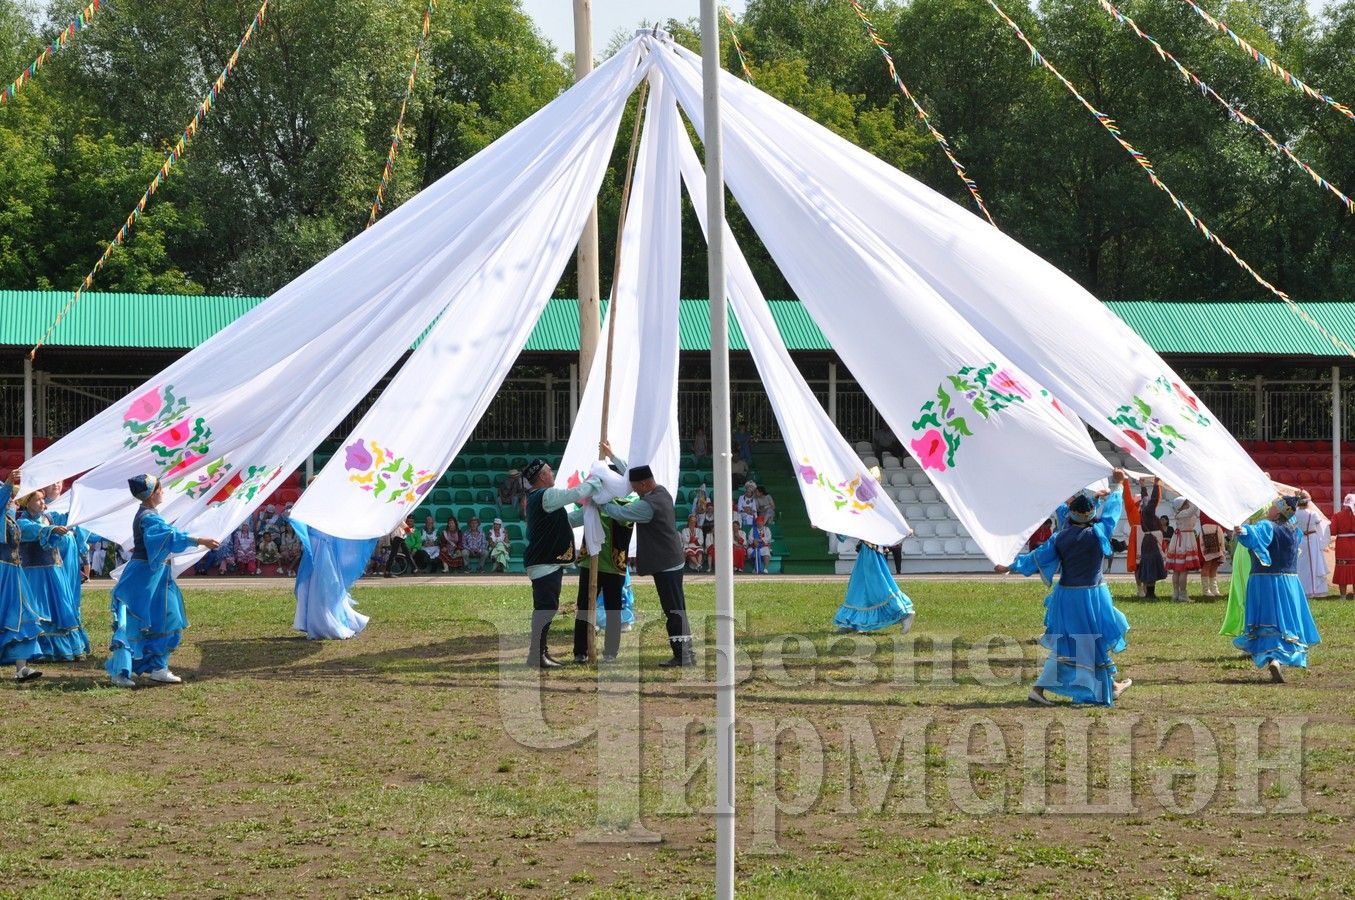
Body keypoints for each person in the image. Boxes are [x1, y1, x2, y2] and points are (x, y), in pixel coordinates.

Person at [996, 469, 1132, 707]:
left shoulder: (1061, 537)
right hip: (1093, 595)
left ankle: (1110, 685)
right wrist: (1118, 486)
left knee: (1076, 641)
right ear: (1091, 515)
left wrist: (1009, 565)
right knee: (1086, 641)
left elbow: (1035, 557)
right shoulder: (1098, 532)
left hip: (1067, 596)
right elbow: (1111, 514)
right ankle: (1040, 687)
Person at [107, 474, 220, 687]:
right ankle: (120, 671)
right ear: (151, 494)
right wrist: (199, 540)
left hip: (158, 575)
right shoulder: (148, 517)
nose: (163, 492)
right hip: (143, 576)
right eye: (160, 489)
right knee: (135, 620)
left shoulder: (151, 514)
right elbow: (168, 535)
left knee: (167, 617)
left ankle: (159, 667)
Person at [599, 446, 695, 667]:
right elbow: (632, 474)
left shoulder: (647, 505)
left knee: (673, 610)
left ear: (643, 485)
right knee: (678, 607)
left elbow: (621, 513)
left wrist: (600, 502)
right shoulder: (660, 491)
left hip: (665, 564)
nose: (633, 491)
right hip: (673, 560)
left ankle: (683, 657)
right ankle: (687, 653)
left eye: (635, 488)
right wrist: (613, 456)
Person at [1232, 496, 1322, 683]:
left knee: (1268, 620)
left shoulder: (1267, 526)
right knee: (1285, 624)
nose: (1269, 509)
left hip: (1264, 581)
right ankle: (1277, 659)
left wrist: (1243, 530)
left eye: (1273, 506)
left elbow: (1254, 534)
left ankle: (1273, 658)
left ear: (1280, 511)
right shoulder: (1294, 531)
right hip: (1289, 583)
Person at [522, 456, 599, 668]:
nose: (553, 473)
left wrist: (591, 512)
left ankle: (540, 653)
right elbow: (576, 493)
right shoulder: (547, 495)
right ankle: (537, 655)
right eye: (549, 471)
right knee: (545, 608)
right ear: (542, 476)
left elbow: (568, 521)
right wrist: (597, 480)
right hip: (544, 562)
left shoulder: (541, 498)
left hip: (546, 561)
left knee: (546, 607)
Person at [17, 488, 89, 662]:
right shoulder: (22, 522)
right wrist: (52, 530)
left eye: (43, 499)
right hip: (35, 575)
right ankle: (43, 649)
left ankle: (70, 648)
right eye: (38, 500)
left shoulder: (49, 517)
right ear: (27, 502)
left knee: (61, 606)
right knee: (40, 610)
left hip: (55, 572)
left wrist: (79, 501)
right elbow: (33, 530)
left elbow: (70, 518)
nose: (43, 502)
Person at [572, 492, 633, 664]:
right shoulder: (590, 503)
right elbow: (576, 515)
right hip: (589, 564)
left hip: (613, 566)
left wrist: (603, 505)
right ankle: (580, 651)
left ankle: (610, 652)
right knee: (584, 607)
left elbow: (624, 520)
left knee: (613, 610)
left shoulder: (624, 504)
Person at [0, 470, 47, 681]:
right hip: (2, 572)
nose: (13, 500)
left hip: (14, 572)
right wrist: (8, 485)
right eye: (10, 497)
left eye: (13, 497)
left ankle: (21, 668)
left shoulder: (12, 520)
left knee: (22, 616)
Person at [37, 479, 92, 658]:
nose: (56, 485)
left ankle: (72, 637)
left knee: (70, 596)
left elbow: (81, 533)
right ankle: (51, 643)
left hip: (69, 559)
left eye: (59, 482)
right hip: (52, 559)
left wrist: (85, 560)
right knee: (56, 596)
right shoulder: (40, 508)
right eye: (52, 482)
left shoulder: (71, 505)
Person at [833, 540, 914, 633]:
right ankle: (853, 623)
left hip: (871, 551)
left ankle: (904, 614)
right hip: (866, 550)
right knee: (859, 585)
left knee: (878, 586)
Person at [1294, 492, 1330, 599]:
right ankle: (1312, 590)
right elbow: (1321, 524)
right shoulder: (1312, 514)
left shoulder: (1294, 513)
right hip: (1311, 539)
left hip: (1299, 539)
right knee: (1313, 564)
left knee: (1299, 564)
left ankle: (1301, 588)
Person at [1166, 497, 1201, 602]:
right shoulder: (1185, 513)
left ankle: (1175, 594)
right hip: (1185, 541)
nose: (1188, 504)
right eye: (1186, 503)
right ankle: (1182, 595)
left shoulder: (1180, 514)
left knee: (1177, 571)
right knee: (1183, 570)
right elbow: (1195, 508)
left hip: (1179, 540)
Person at [1331, 494, 1355, 599]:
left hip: (1342, 544)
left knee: (1342, 567)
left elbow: (1333, 531)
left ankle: (1343, 596)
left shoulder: (1337, 515)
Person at [1198, 510, 1226, 598]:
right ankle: (1206, 590)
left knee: (1215, 563)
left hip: (1217, 530)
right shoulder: (1204, 504)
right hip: (1208, 531)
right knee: (1208, 562)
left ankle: (1214, 589)